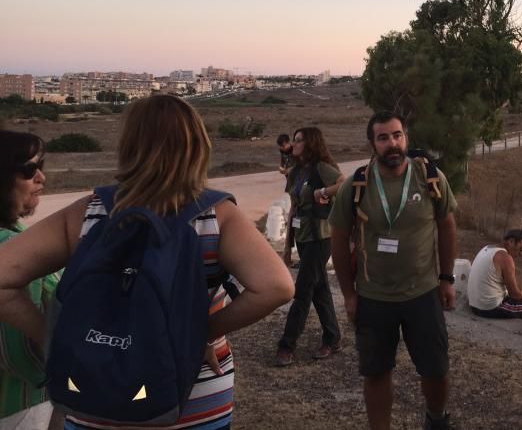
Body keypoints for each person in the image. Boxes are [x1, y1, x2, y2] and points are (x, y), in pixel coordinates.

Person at [0, 95, 294, 430]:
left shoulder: (86, 213)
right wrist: (197, 334)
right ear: (196, 145)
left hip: (93, 394)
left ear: (129, 145)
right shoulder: (217, 216)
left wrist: (54, 337)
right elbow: (277, 286)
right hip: (190, 399)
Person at [329, 111, 457, 430]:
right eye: (383, 138)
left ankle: (436, 419)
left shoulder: (430, 178)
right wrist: (349, 294)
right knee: (376, 372)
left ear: (406, 138)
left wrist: (446, 279)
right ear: (373, 143)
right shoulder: (356, 185)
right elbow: (339, 240)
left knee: (436, 369)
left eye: (397, 135)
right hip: (373, 297)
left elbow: (447, 225)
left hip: (423, 293)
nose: (392, 143)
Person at [0, 131, 58, 430]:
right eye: (28, 170)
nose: (40, 178)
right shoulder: (14, 250)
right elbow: (17, 351)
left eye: (41, 166)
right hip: (18, 405)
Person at [275, 126, 344, 365]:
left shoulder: (322, 168)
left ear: (311, 144)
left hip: (320, 238)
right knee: (320, 290)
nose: (294, 145)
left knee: (303, 291)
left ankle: (287, 345)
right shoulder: (295, 173)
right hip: (303, 238)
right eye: (293, 140)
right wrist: (287, 246)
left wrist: (323, 191)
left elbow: (344, 184)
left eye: (299, 140)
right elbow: (294, 207)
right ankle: (333, 338)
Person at [467, 228, 522, 319]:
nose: (521, 254)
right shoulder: (505, 257)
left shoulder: (487, 248)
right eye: (521, 249)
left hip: (474, 305)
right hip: (489, 309)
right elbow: (514, 294)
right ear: (511, 242)